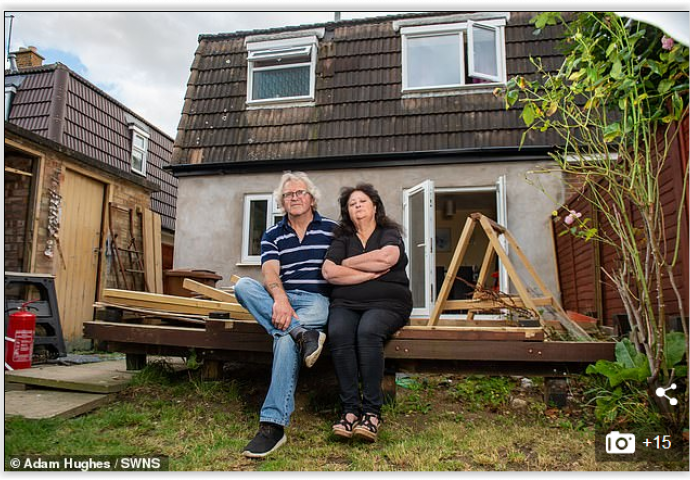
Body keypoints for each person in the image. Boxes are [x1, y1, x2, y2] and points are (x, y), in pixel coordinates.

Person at [234, 171, 338, 458]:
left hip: (317, 300)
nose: (294, 198)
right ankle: (302, 334)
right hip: (283, 298)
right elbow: (269, 271)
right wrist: (279, 299)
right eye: (289, 195)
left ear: (312, 198)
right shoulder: (272, 233)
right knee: (243, 286)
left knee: (284, 337)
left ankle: (272, 426)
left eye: (300, 192)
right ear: (282, 201)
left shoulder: (331, 229)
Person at [322, 183, 412, 442]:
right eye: (351, 204)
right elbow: (329, 272)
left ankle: (372, 412)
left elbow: (387, 259)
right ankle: (349, 411)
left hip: (388, 303)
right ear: (347, 211)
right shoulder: (342, 238)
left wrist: (348, 264)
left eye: (362, 201)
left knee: (368, 331)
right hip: (346, 304)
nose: (357, 206)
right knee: (338, 332)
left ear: (374, 206)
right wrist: (368, 274)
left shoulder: (389, 232)